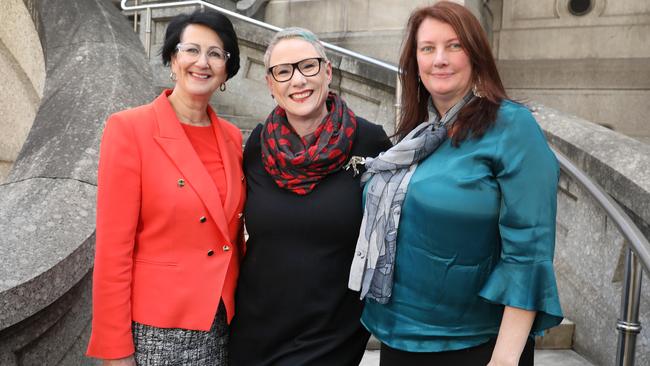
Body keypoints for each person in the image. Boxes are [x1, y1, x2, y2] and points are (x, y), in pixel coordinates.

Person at [348, 2, 564, 365]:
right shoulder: (415, 138)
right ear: (415, 62)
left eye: (454, 46)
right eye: (427, 48)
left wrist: (505, 359)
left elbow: (528, 255)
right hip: (398, 338)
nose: (440, 59)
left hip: (474, 345)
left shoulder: (513, 127)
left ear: (476, 55)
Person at [86, 10, 245, 365]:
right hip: (155, 329)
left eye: (216, 53)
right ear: (173, 58)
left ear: (225, 70)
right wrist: (116, 350)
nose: (202, 62)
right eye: (191, 50)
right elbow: (113, 250)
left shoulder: (233, 138)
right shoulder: (130, 129)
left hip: (220, 323)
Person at [228, 27, 391, 366]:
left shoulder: (370, 142)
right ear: (271, 85)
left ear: (328, 71)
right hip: (255, 333)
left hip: (332, 335)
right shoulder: (257, 146)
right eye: (283, 72)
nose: (297, 80)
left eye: (308, 66)